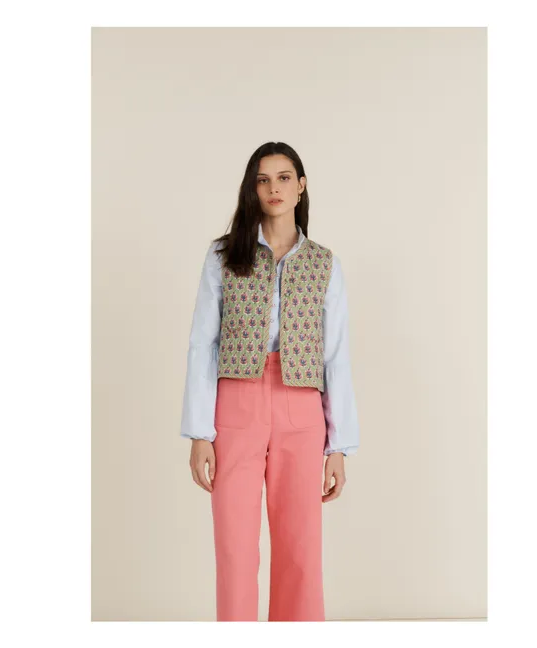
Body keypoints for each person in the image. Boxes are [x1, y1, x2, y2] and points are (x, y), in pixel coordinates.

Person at [180, 141, 360, 622]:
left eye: (283, 178)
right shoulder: (224, 255)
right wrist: (200, 433)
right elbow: (203, 343)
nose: (273, 188)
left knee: (301, 551)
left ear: (301, 186)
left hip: (301, 408)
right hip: (236, 406)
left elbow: (336, 356)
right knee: (235, 549)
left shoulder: (324, 263)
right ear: (252, 189)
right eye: (263, 180)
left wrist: (339, 446)